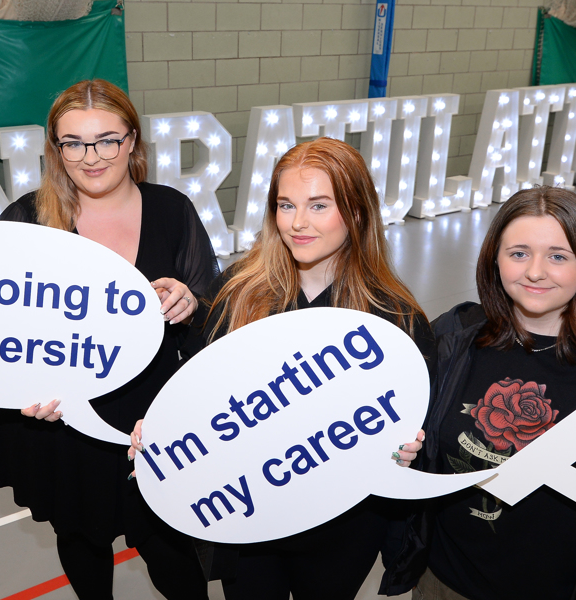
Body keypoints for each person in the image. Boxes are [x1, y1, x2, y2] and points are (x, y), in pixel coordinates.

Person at [128, 136, 431, 600]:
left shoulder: (396, 319)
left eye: (319, 205)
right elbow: (200, 393)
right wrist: (166, 430)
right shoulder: (236, 292)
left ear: (356, 210)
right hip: (249, 518)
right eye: (285, 205)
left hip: (342, 526)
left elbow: (411, 432)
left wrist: (403, 451)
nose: (298, 223)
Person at [381, 186, 576, 599]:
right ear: (494, 259)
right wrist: (396, 454)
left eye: (558, 256)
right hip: (443, 584)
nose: (535, 271)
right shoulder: (451, 338)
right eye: (519, 253)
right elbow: (406, 441)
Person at [0, 79, 217, 599]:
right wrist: (25, 391)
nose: (91, 157)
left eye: (107, 139)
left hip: (153, 419)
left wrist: (190, 302)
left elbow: (213, 311)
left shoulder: (171, 209)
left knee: (172, 552)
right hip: (67, 425)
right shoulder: (26, 220)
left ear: (132, 140)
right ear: (55, 148)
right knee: (81, 540)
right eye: (73, 142)